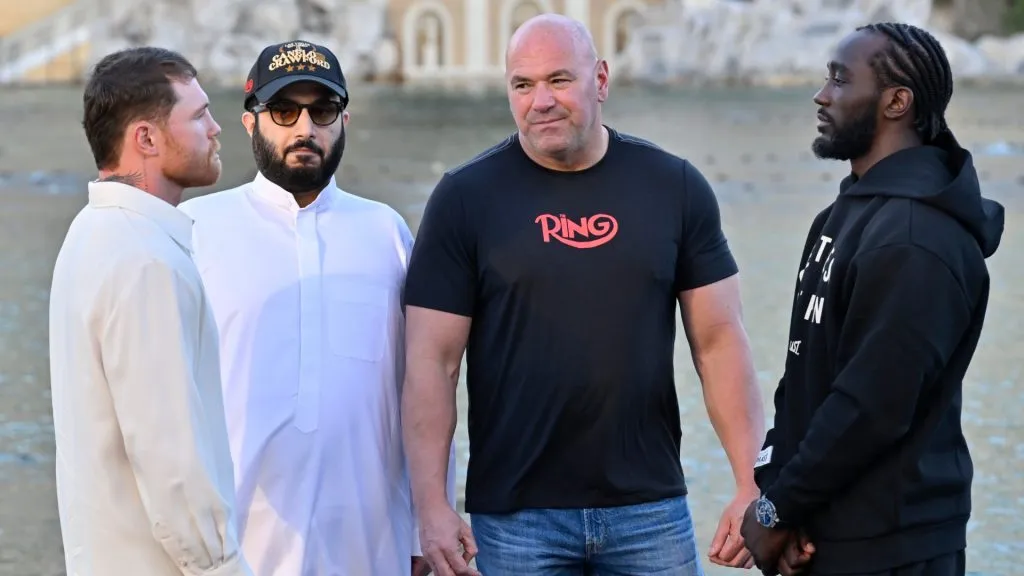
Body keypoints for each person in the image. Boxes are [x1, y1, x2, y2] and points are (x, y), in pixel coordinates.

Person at [402, 13, 766, 576]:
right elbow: (432, 361)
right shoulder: (464, 199)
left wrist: (749, 484)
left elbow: (719, 342)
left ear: (600, 80)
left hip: (649, 512)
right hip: (516, 521)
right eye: (522, 85)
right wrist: (430, 506)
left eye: (559, 80)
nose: (540, 100)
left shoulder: (674, 186)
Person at [178, 40, 453, 576]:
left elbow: (425, 385)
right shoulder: (197, 230)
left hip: (371, 545)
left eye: (322, 110)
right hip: (233, 550)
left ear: (344, 119)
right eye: (284, 111)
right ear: (251, 122)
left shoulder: (386, 232)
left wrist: (426, 524)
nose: (304, 128)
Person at [740, 22, 1004, 576]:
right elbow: (804, 374)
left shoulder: (916, 240)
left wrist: (777, 510)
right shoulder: (842, 214)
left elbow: (871, 407)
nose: (821, 94)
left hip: (893, 546)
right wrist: (777, 493)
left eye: (840, 80)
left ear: (896, 102)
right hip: (819, 533)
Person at [48, 47, 250, 575]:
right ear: (146, 138)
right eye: (199, 114)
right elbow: (169, 458)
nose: (216, 128)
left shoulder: (89, 235)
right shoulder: (144, 260)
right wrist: (222, 566)